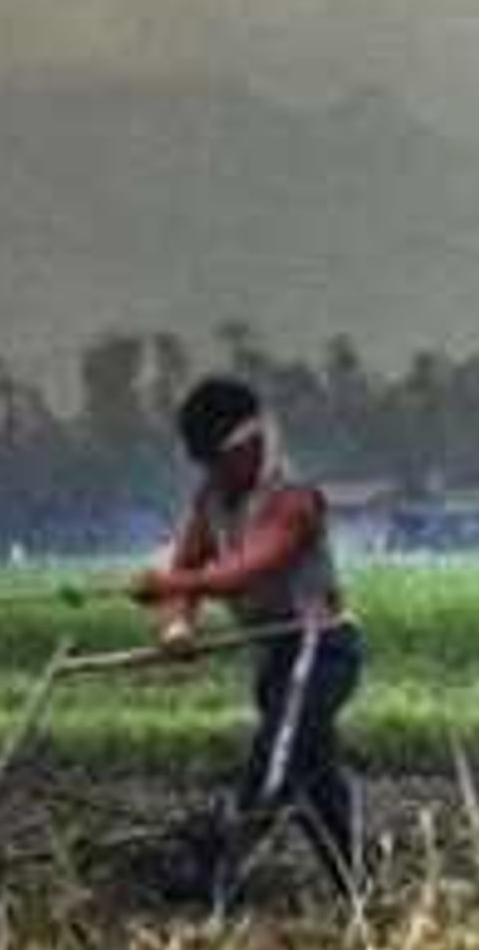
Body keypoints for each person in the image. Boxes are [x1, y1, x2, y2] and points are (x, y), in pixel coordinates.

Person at [130, 370, 365, 911]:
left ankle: (217, 882)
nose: (214, 473)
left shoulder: (294, 500)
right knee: (316, 774)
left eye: (220, 459)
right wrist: (176, 624)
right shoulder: (211, 496)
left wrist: (168, 583)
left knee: (274, 764)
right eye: (205, 464)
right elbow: (189, 561)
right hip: (276, 654)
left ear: (254, 440)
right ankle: (359, 887)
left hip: (322, 650)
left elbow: (246, 571)